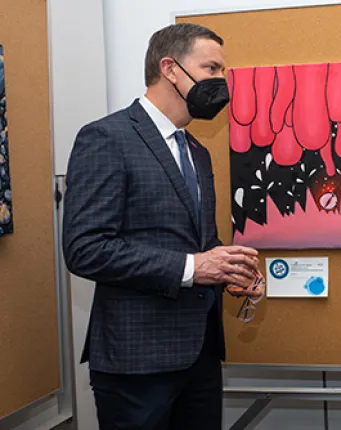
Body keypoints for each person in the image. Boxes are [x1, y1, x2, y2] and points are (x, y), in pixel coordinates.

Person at [62, 23, 263, 430]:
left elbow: (196, 242)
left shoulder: (197, 152)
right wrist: (193, 268)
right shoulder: (106, 138)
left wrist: (229, 269)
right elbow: (85, 248)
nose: (221, 82)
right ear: (170, 68)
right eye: (211, 69)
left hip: (202, 357)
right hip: (138, 363)